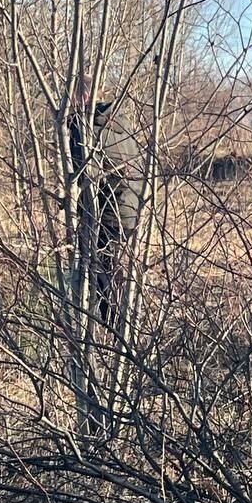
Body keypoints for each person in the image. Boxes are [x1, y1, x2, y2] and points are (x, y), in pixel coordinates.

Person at [67, 82, 141, 327]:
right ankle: (123, 324)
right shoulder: (120, 121)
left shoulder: (84, 126)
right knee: (117, 270)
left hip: (107, 210)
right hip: (131, 207)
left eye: (72, 97)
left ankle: (107, 330)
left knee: (101, 272)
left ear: (83, 96)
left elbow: (84, 175)